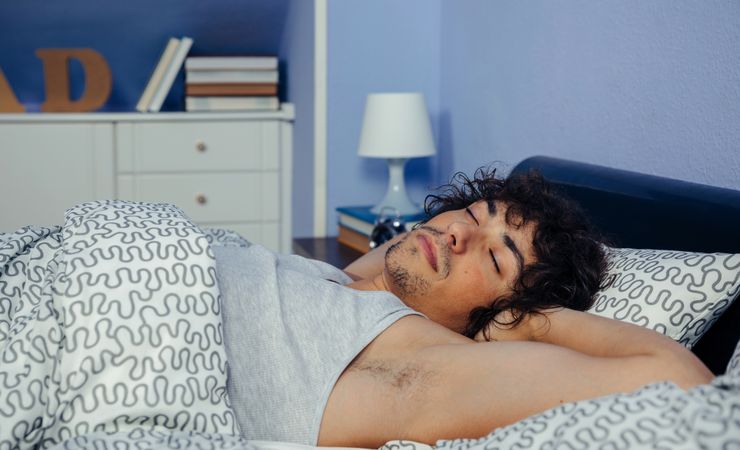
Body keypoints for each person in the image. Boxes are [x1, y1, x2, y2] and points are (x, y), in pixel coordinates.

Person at [215, 168, 713, 448]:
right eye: (475, 214)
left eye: (495, 258)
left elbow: (682, 384)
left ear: (506, 306)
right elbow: (409, 243)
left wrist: (531, 318)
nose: (459, 232)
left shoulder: (426, 364)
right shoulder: (353, 282)